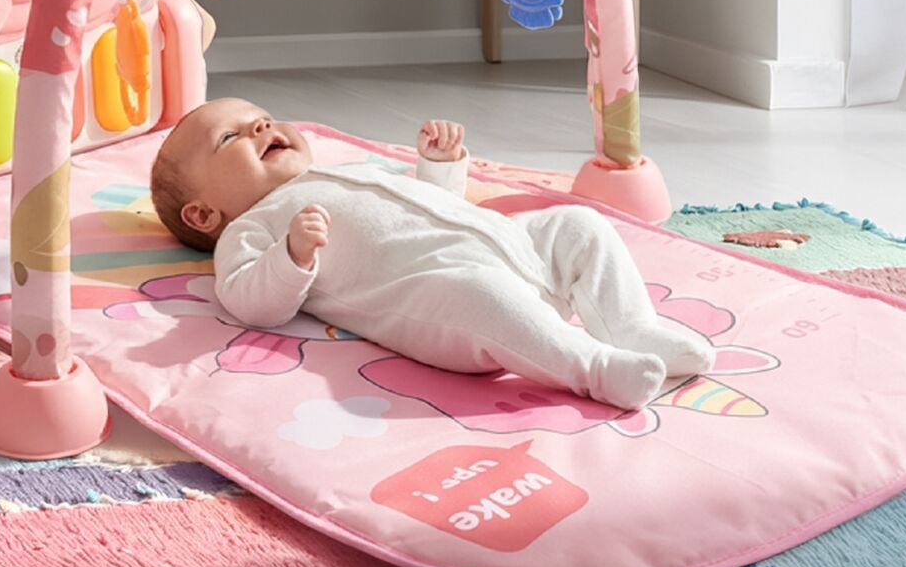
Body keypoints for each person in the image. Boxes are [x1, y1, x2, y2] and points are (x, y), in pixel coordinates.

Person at [151, 99, 714, 410]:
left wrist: (439, 170)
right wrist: (291, 256)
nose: (260, 125)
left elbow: (432, 208)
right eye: (232, 138)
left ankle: (633, 326)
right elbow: (248, 300)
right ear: (202, 214)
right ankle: (593, 367)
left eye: (264, 118)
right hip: (443, 292)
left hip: (509, 244)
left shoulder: (346, 171)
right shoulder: (252, 226)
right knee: (484, 298)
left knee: (577, 224)